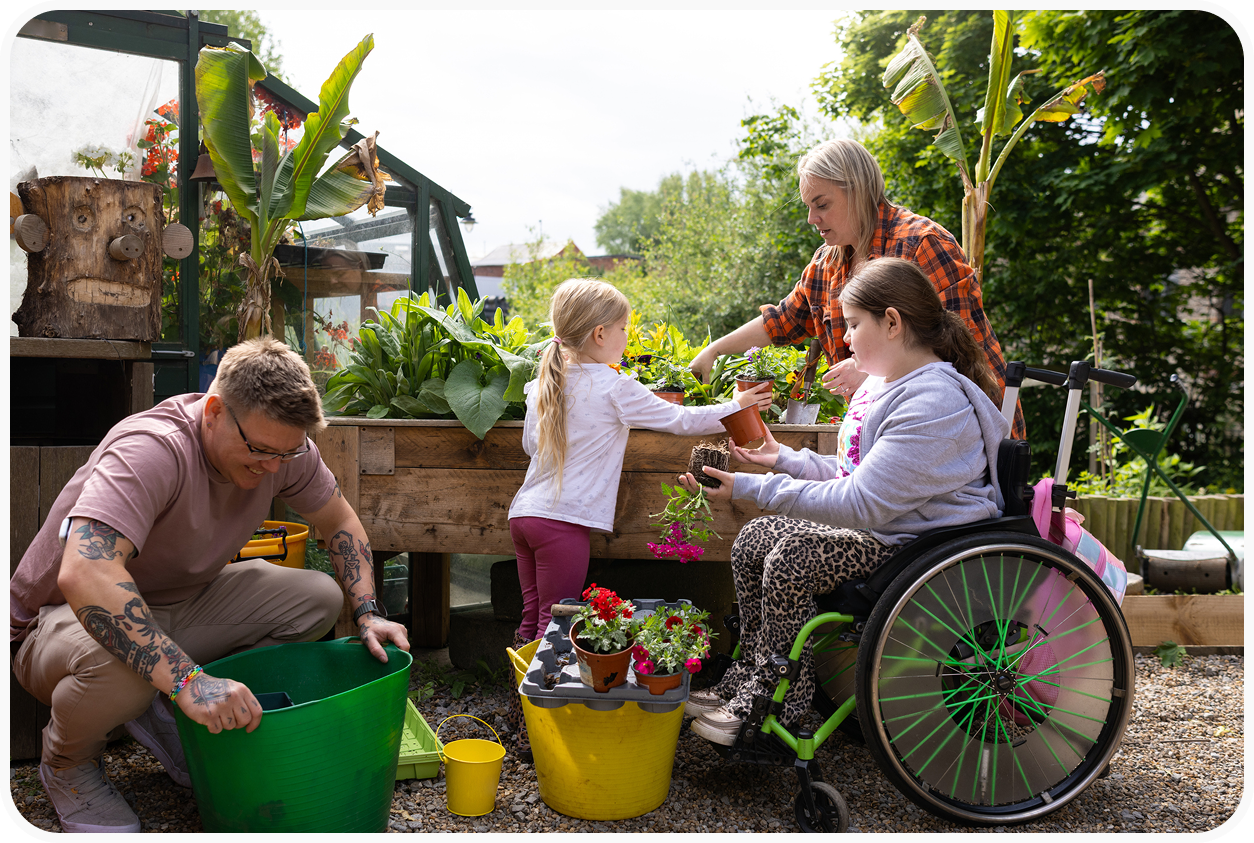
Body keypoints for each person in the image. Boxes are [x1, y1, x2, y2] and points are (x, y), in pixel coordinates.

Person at [10, 337, 410, 833]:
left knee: (317, 599)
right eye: (261, 451)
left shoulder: (284, 448)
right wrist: (188, 680)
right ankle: (67, 765)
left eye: (287, 455)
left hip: (183, 603)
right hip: (56, 621)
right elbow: (85, 573)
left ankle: (162, 707)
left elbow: (340, 522)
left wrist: (369, 611)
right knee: (127, 665)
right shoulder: (151, 450)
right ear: (215, 411)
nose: (273, 468)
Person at [677, 258, 1009, 745]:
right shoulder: (889, 386)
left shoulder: (933, 402)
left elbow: (859, 504)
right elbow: (856, 476)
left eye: (854, 325)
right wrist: (782, 459)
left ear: (892, 323)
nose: (847, 339)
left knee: (791, 556)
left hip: (917, 547)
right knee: (754, 538)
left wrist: (748, 488)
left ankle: (781, 705)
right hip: (890, 528)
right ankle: (749, 678)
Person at [502, 277, 772, 757]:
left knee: (531, 621)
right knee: (556, 625)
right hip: (564, 524)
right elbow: (681, 420)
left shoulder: (543, 383)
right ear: (601, 334)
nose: (629, 338)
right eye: (625, 329)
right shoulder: (611, 386)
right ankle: (536, 733)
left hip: (525, 516)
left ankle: (515, 716)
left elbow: (529, 446)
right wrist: (738, 406)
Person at [688, 138, 1026, 440]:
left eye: (822, 204)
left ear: (859, 191)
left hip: (968, 436)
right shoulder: (826, 264)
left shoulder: (921, 244)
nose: (811, 219)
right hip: (891, 435)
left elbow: (961, 353)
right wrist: (713, 351)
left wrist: (872, 370)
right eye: (808, 206)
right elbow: (783, 320)